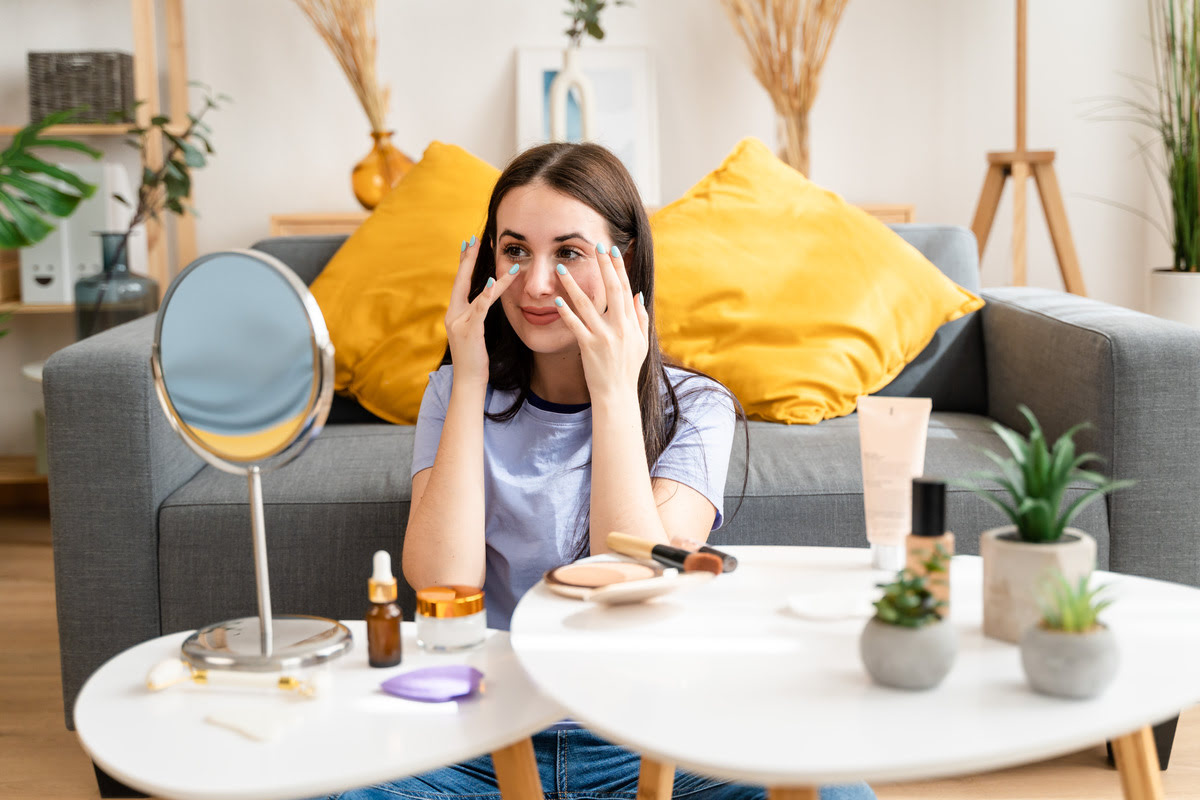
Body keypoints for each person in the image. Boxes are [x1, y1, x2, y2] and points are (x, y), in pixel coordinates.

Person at [334, 143, 874, 800]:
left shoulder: (699, 408)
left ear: (624, 266)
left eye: (568, 253)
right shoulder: (456, 392)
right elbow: (444, 580)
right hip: (484, 733)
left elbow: (633, 580)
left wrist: (615, 392)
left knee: (835, 789)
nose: (535, 284)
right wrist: (470, 375)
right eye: (514, 251)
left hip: (643, 732)